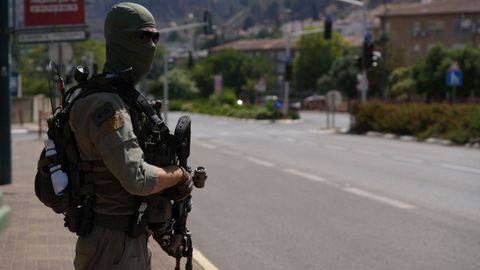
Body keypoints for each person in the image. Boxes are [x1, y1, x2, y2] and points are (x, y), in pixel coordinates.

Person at [68, 2, 191, 269]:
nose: (151, 45)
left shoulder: (121, 99)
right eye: (142, 36)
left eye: (155, 37)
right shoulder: (107, 106)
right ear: (119, 39)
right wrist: (179, 174)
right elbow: (138, 179)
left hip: (123, 242)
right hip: (112, 246)